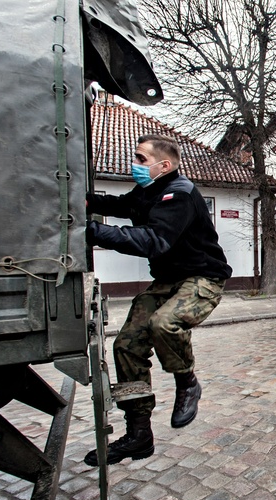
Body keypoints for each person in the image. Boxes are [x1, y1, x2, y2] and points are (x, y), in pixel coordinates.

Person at [83, 134, 232, 466]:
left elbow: (154, 240)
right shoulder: (149, 190)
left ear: (163, 165)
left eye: (140, 159)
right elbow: (122, 206)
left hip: (203, 277)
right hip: (167, 280)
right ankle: (139, 435)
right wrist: (87, 203)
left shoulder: (179, 194)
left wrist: (93, 232)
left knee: (164, 323)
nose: (133, 165)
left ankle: (187, 383)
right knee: (126, 345)